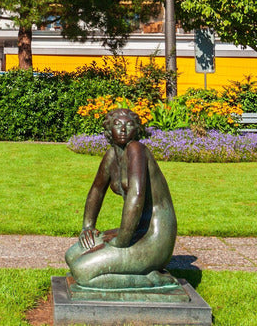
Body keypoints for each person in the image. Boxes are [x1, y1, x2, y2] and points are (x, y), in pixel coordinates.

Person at [64, 107, 178, 290]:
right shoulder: (112, 155)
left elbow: (136, 195)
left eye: (129, 124)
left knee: (81, 272)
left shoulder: (136, 150)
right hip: (136, 231)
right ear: (109, 130)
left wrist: (122, 241)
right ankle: (128, 269)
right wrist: (88, 226)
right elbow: (97, 190)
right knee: (72, 256)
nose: (123, 129)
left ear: (137, 130)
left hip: (154, 237)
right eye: (117, 124)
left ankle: (150, 280)